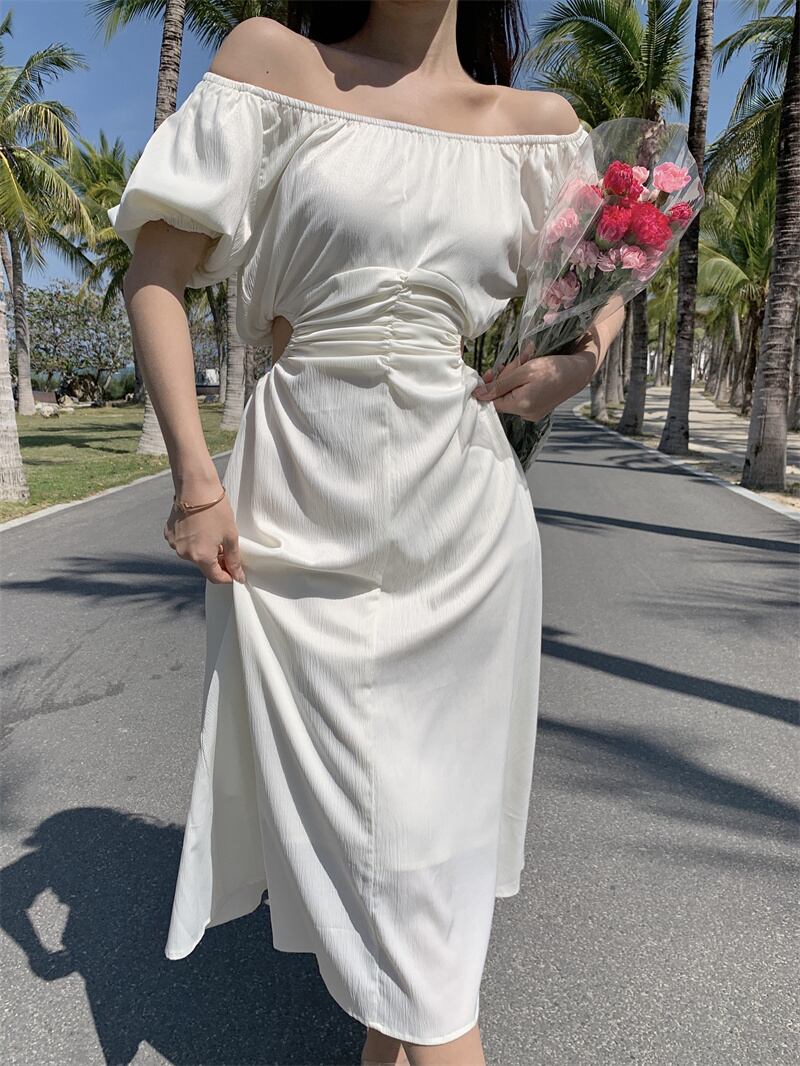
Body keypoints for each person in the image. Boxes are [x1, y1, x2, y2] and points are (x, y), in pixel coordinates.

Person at [108, 3, 623, 1064]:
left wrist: (576, 366)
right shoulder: (273, 61)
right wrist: (196, 481)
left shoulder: (539, 124)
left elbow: (604, 286)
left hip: (462, 518)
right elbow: (154, 270)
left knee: (422, 876)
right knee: (396, 887)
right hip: (303, 505)